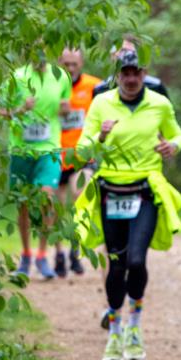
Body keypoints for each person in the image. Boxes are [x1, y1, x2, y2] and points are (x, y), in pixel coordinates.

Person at [75, 49, 181, 360]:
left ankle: (134, 326)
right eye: (126, 73)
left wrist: (172, 146)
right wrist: (100, 135)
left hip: (145, 190)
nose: (132, 78)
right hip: (111, 190)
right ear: (117, 75)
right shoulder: (101, 103)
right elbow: (82, 148)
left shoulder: (159, 103)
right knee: (117, 263)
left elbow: (177, 134)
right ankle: (114, 331)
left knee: (137, 261)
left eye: (136, 72)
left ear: (144, 72)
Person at [0, 50, 72, 280]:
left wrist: (64, 109)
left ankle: (42, 254)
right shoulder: (16, 77)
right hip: (21, 150)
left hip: (49, 149)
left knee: (47, 198)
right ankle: (26, 254)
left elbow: (64, 107)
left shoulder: (61, 76)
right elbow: (0, 111)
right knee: (23, 204)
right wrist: (20, 110)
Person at [54, 48, 102, 277]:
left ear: (81, 63)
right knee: (53, 207)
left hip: (81, 156)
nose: (70, 68)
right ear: (59, 63)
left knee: (80, 195)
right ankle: (58, 253)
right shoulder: (49, 87)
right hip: (54, 155)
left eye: (74, 64)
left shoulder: (94, 86)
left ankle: (76, 247)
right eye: (66, 64)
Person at [92, 36, 170, 100]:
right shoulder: (101, 89)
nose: (128, 57)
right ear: (112, 55)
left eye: (132, 52)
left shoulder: (155, 86)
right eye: (123, 51)